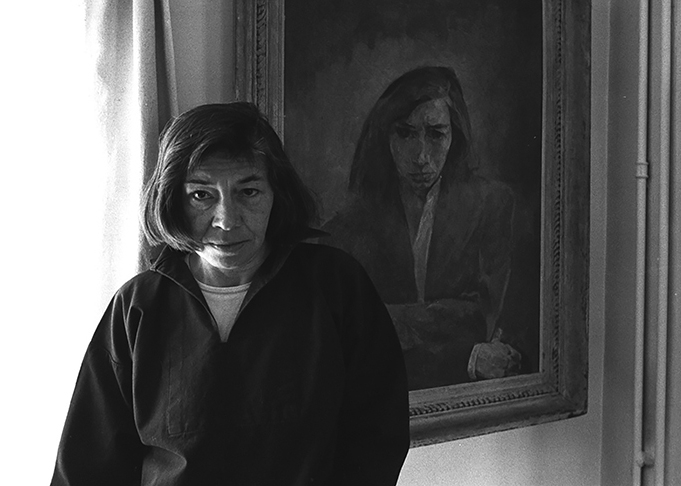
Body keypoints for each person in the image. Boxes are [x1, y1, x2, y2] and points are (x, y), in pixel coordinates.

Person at [51, 102, 409, 485]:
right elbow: (87, 466)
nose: (226, 220)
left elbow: (377, 437)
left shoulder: (337, 287)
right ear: (173, 199)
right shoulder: (137, 307)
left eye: (249, 192)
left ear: (276, 193)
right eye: (201, 195)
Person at [322, 66, 522, 390]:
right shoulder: (349, 226)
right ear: (386, 137)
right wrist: (466, 353)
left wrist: (389, 318)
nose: (421, 157)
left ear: (455, 135)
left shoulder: (492, 205)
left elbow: (481, 320)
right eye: (405, 134)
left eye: (436, 134)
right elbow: (348, 331)